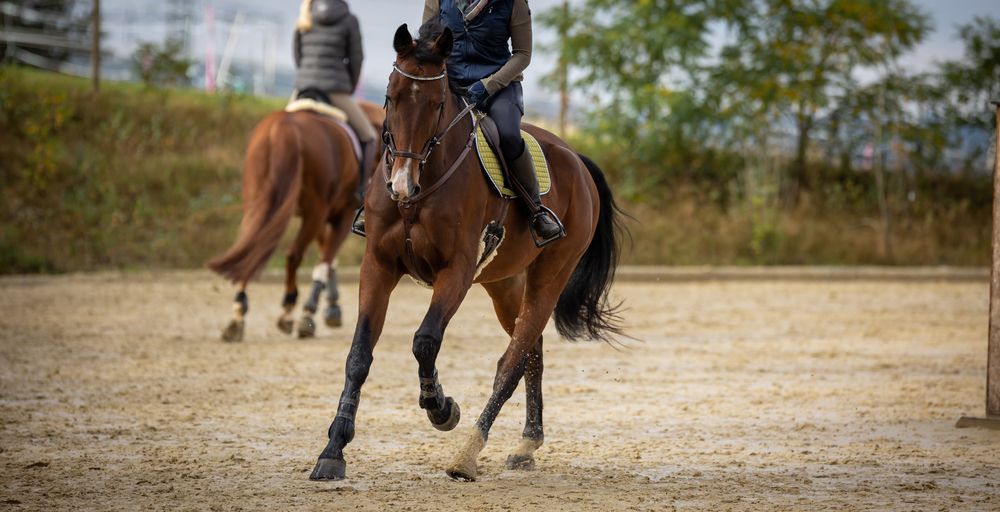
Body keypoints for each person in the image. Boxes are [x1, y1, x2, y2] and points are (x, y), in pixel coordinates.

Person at [422, 0, 565, 245]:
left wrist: (488, 85)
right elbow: (427, 42)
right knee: (406, 123)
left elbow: (523, 55)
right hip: (450, 85)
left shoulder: (514, 2)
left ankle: (536, 210)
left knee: (508, 135)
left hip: (499, 88)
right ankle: (379, 206)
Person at [293, 0, 377, 207]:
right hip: (335, 90)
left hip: (302, 89)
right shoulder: (349, 20)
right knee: (369, 136)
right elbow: (357, 59)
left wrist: (306, 78)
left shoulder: (305, 15)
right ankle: (360, 191)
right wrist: (348, 87)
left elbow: (298, 55)